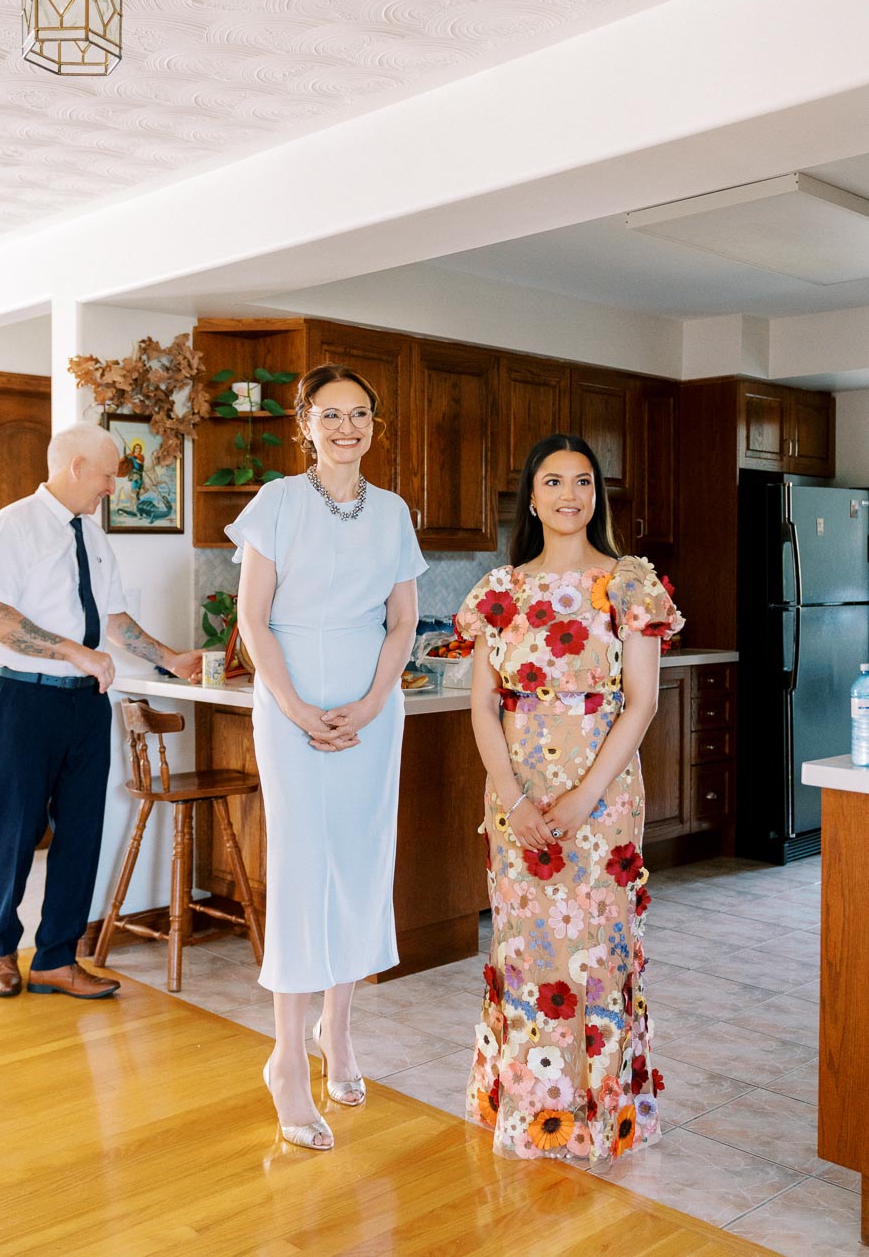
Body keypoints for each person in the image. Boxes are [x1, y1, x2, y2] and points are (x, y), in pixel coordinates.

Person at [456, 433, 683, 1167]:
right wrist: (514, 799)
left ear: (597, 496)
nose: (568, 495)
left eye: (582, 482)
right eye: (552, 482)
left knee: (598, 947)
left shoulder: (630, 584)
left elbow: (641, 704)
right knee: (526, 948)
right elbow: (484, 708)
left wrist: (586, 795)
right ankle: (528, 1109)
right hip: (514, 795)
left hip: (604, 796)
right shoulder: (500, 591)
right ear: (531, 497)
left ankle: (602, 1116)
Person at [228, 363, 426, 1152]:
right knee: (306, 870)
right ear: (305, 422)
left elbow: (404, 620)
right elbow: (253, 620)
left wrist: (375, 701)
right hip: (292, 704)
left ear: (375, 426)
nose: (347, 428)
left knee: (363, 865)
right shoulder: (276, 503)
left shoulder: (393, 511)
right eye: (331, 414)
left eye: (361, 416)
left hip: (373, 710)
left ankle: (337, 1036)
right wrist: (297, 706)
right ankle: (285, 1056)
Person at [0, 421, 203, 1001]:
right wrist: (76, 651)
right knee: (17, 830)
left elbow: (115, 619)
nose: (111, 487)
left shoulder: (94, 537)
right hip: (21, 698)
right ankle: (2, 951)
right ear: (76, 467)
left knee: (82, 832)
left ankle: (56, 958)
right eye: (107, 475)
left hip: (85, 704)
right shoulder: (13, 526)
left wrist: (171, 659)